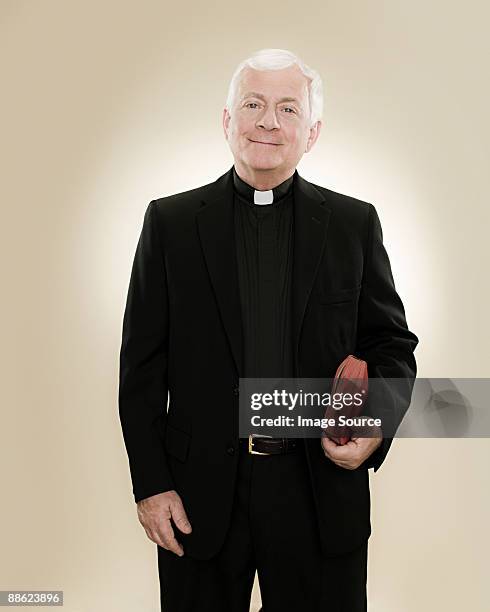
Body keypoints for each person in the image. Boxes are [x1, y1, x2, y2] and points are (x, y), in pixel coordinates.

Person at [118, 48, 419, 612]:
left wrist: (375, 429)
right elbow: (140, 368)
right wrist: (151, 485)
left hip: (318, 494)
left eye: (287, 108)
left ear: (313, 131)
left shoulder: (355, 224)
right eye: (252, 104)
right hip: (200, 495)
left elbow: (392, 348)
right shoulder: (170, 224)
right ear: (227, 121)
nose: (268, 121)